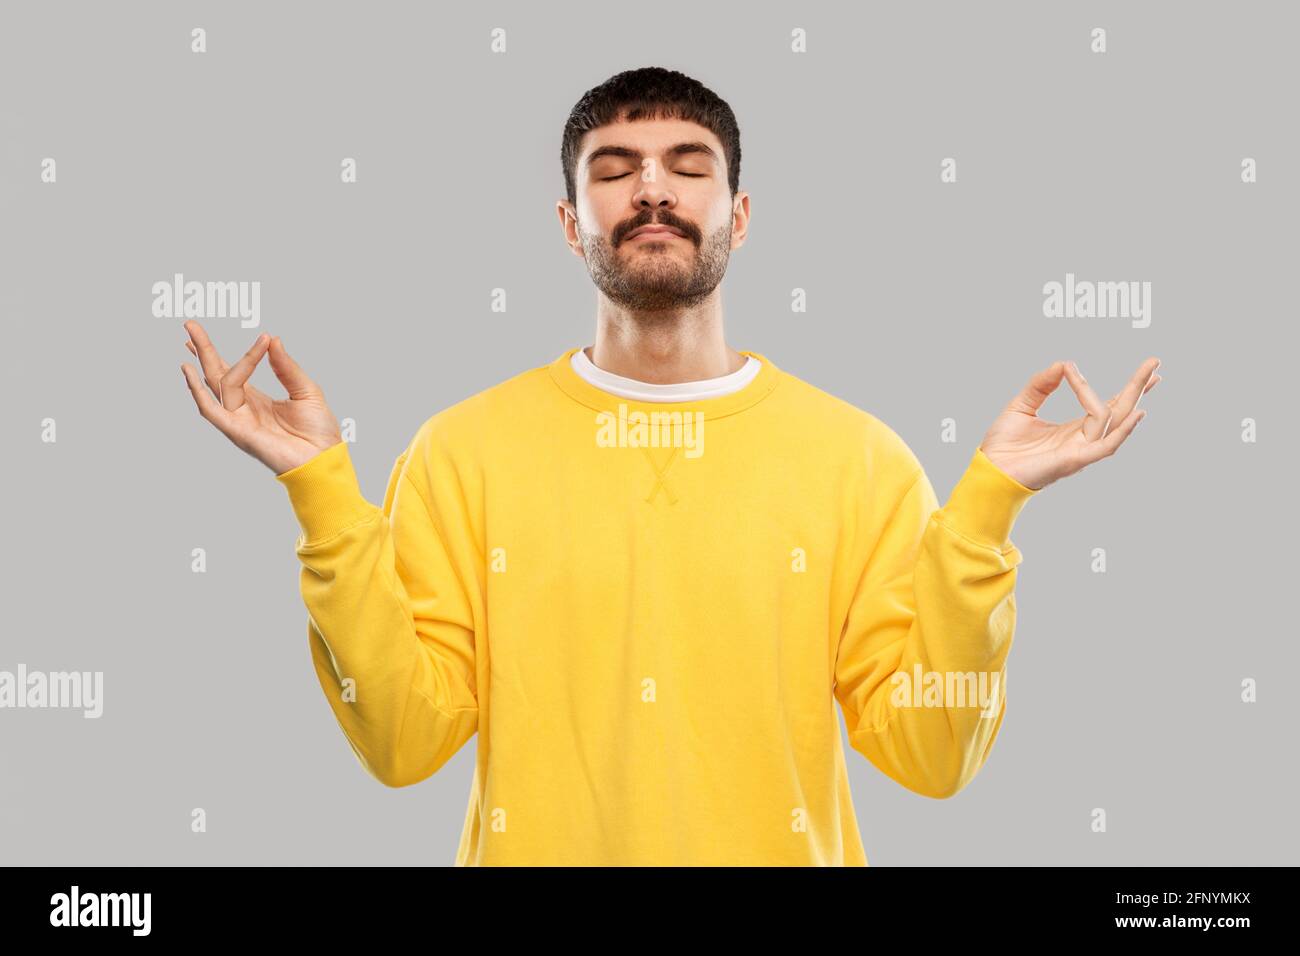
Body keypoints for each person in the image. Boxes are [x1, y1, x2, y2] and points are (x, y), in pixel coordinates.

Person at [179, 66, 1160, 866]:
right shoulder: (459, 451)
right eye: (614, 169)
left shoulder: (857, 458)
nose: (651, 187)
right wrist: (319, 491)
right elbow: (401, 740)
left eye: (686, 166)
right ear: (571, 224)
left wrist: (986, 509)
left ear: (738, 212)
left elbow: (932, 754)